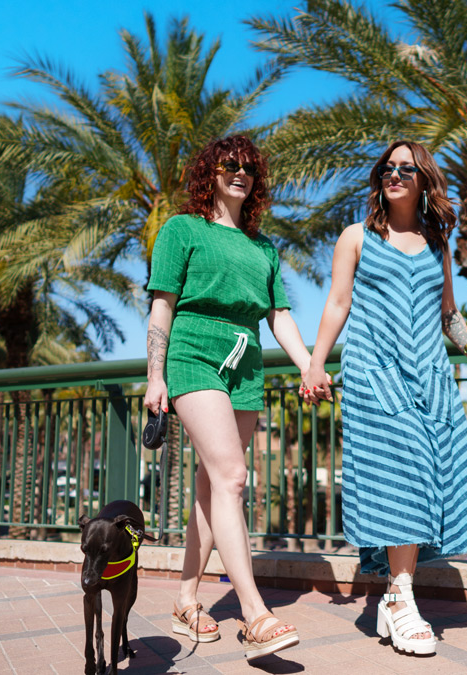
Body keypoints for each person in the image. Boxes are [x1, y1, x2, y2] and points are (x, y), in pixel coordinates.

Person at [302, 140, 467, 655]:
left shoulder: (438, 241)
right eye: (388, 168)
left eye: (406, 169)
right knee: (402, 475)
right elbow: (338, 303)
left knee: (423, 477)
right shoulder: (357, 237)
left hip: (428, 377)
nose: (395, 174)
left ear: (422, 179)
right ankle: (402, 598)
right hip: (375, 374)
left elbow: (448, 312)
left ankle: (395, 596)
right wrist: (315, 361)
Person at [144, 135, 310, 661]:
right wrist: (155, 376)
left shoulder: (263, 247)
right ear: (209, 172)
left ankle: (187, 599)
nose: (240, 173)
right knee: (233, 477)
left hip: (246, 363)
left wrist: (309, 365)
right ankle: (255, 614)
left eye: (248, 167)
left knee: (213, 482)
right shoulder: (182, 229)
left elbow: (278, 316)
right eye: (229, 165)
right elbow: (162, 307)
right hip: (193, 352)